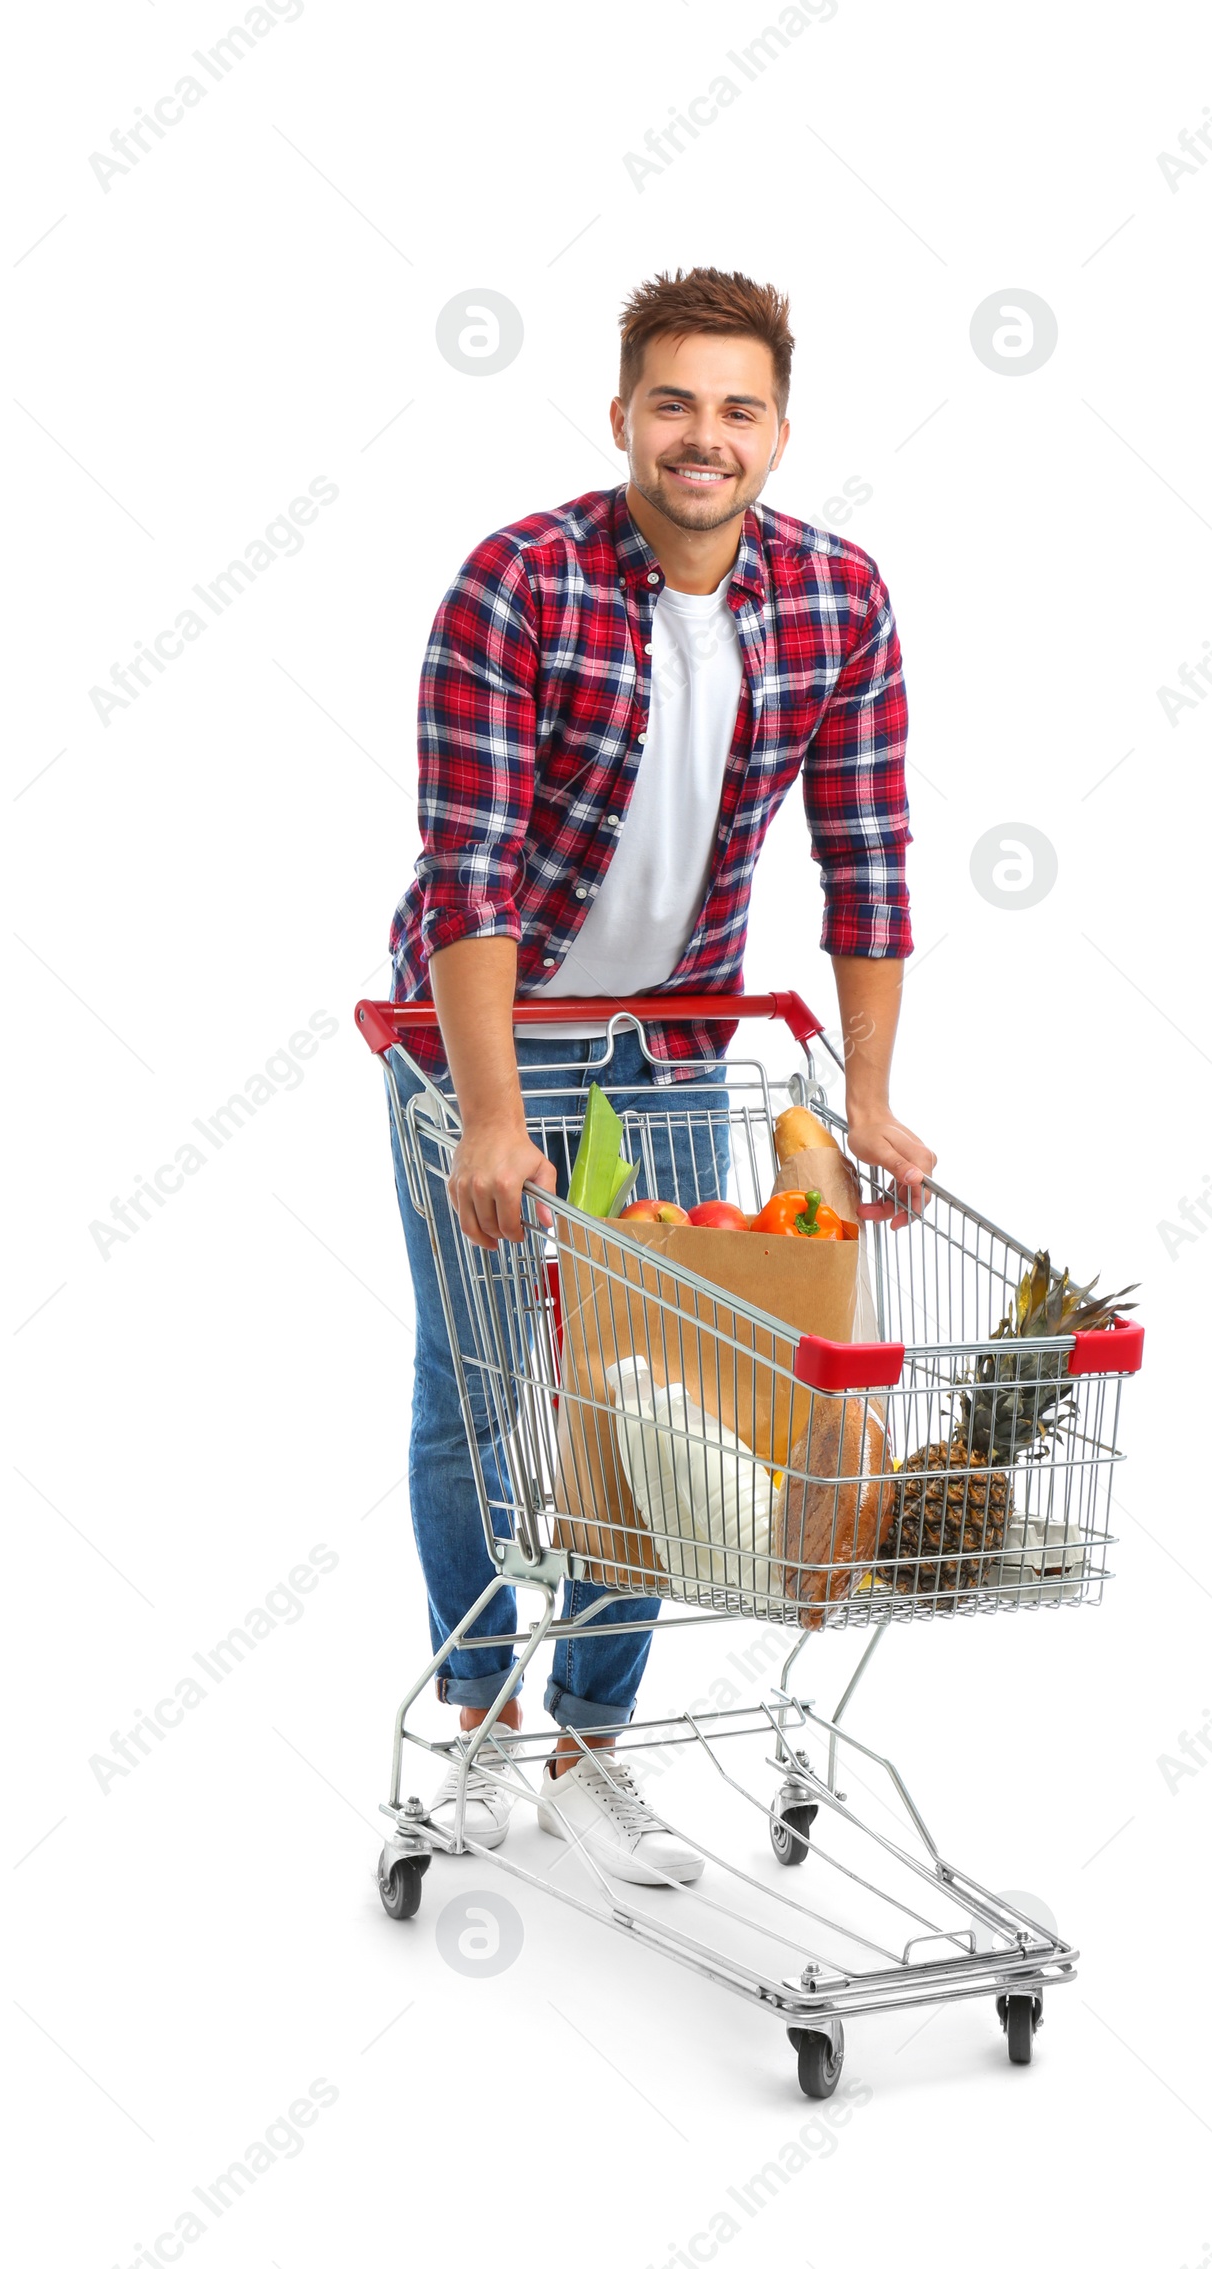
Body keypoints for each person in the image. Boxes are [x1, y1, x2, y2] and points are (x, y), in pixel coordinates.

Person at [385, 266, 935, 1885]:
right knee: (484, 1388)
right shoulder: (521, 581)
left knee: (650, 1401)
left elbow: (870, 857)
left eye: (738, 408)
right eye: (675, 404)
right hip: (488, 1040)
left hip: (676, 1045)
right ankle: (477, 1713)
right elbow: (470, 870)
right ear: (621, 415)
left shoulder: (836, 597)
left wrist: (875, 1094)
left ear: (778, 430)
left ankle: (589, 1745)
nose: (706, 437)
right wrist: (492, 1113)